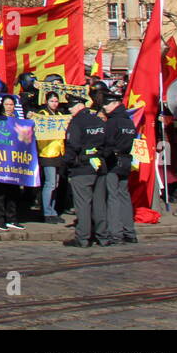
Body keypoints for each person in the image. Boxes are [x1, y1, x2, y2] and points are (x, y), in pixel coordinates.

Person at [63, 98, 109, 248]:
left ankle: (82, 238)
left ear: (78, 106)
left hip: (81, 167)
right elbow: (108, 143)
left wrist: (67, 163)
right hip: (99, 166)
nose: (69, 110)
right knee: (99, 204)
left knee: (83, 205)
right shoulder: (98, 120)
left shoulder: (76, 122)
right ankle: (102, 237)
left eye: (71, 107)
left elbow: (72, 145)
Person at [100, 92, 138, 245]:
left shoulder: (112, 122)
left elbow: (107, 143)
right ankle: (130, 232)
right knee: (124, 196)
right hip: (126, 160)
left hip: (113, 161)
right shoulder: (129, 121)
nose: (104, 107)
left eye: (106, 104)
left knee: (113, 197)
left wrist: (104, 156)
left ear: (115, 104)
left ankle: (115, 233)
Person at [0, 95, 24, 231]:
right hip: (0, 159)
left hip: (13, 160)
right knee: (0, 191)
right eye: (7, 104)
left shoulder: (18, 120)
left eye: (12, 105)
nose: (9, 107)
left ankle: (12, 218)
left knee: (13, 191)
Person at [36, 92, 67, 223]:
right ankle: (47, 212)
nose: (54, 103)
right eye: (52, 101)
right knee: (50, 183)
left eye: (56, 101)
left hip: (59, 153)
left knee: (56, 184)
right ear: (46, 101)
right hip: (47, 153)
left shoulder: (59, 115)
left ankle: (53, 211)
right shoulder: (43, 114)